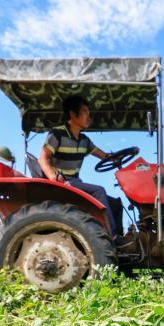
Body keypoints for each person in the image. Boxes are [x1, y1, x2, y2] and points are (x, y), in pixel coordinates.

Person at [39, 95, 126, 237]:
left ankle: (122, 244)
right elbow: (43, 158)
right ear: (73, 114)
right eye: (85, 111)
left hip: (75, 182)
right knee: (99, 191)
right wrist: (53, 177)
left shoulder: (84, 141)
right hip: (61, 184)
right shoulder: (57, 134)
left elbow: (104, 156)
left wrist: (120, 156)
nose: (89, 116)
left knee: (115, 204)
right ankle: (113, 237)